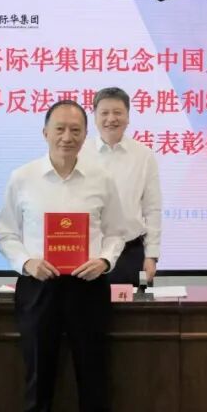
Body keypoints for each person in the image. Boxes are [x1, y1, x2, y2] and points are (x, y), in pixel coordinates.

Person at [0, 99, 127, 412]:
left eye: (75, 130)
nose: (67, 137)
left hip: (88, 287)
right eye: (60, 129)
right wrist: (26, 262)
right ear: (45, 132)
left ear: (86, 135)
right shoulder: (22, 177)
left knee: (93, 377)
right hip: (39, 288)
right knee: (38, 379)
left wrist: (105, 259)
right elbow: (6, 233)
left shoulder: (101, 178)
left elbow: (117, 232)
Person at [79, 87, 161, 286]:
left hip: (129, 252)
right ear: (94, 117)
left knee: (130, 305)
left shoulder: (143, 155)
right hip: (88, 251)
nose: (111, 119)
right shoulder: (80, 153)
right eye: (104, 113)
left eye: (117, 112)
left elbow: (152, 208)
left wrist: (151, 255)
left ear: (128, 116)